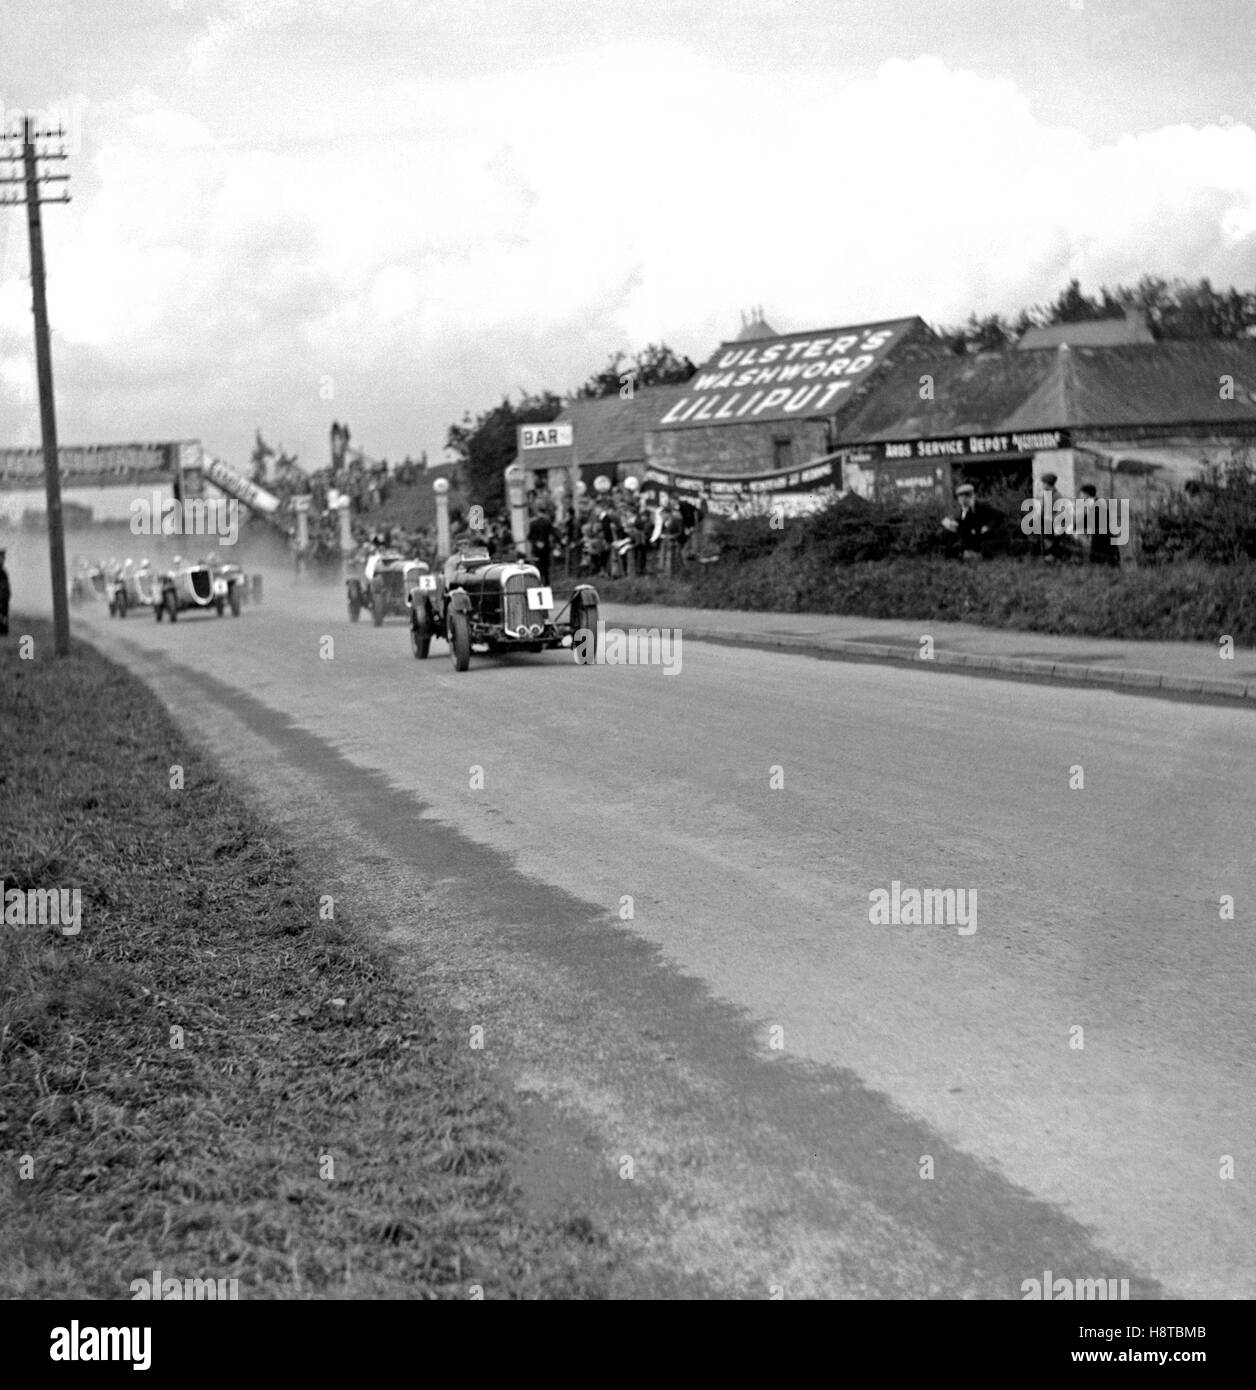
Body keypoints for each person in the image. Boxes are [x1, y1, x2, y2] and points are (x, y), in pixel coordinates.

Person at [941, 482, 1001, 558]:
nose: (959, 500)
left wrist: (988, 527)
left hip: (982, 539)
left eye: (960, 497)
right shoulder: (964, 509)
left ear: (966, 497)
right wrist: (953, 523)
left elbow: (999, 515)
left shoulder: (982, 506)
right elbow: (965, 524)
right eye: (959, 497)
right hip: (969, 539)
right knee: (950, 547)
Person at [527, 508, 554, 584]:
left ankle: (538, 581)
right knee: (546, 566)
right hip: (546, 547)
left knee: (538, 565)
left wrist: (536, 543)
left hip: (536, 548)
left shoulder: (533, 523)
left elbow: (529, 537)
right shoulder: (548, 523)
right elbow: (551, 533)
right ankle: (546, 582)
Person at [0, 548, 10, 637]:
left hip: (4, 600)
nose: (3, 560)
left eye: (3, 558)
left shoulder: (3, 572)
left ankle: (3, 632)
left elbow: (6, 587)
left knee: (4, 617)